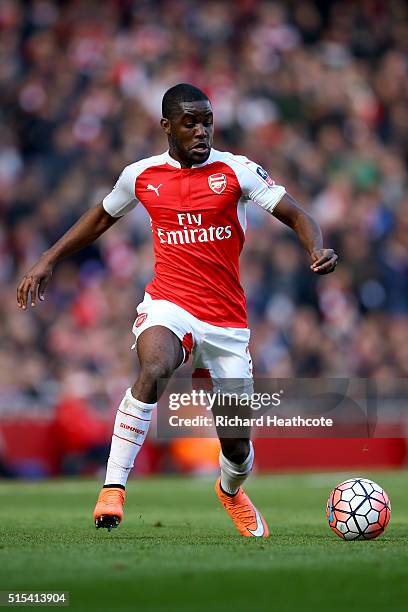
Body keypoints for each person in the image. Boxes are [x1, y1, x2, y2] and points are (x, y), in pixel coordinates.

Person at [17, 83, 338, 537]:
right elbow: (101, 216)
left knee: (238, 448)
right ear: (167, 126)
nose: (201, 130)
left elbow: (298, 215)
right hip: (170, 304)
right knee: (154, 365)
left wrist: (316, 248)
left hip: (226, 323)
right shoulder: (141, 176)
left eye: (207, 121)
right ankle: (113, 489)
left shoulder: (238, 171)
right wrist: (48, 258)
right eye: (190, 122)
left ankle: (230, 491)